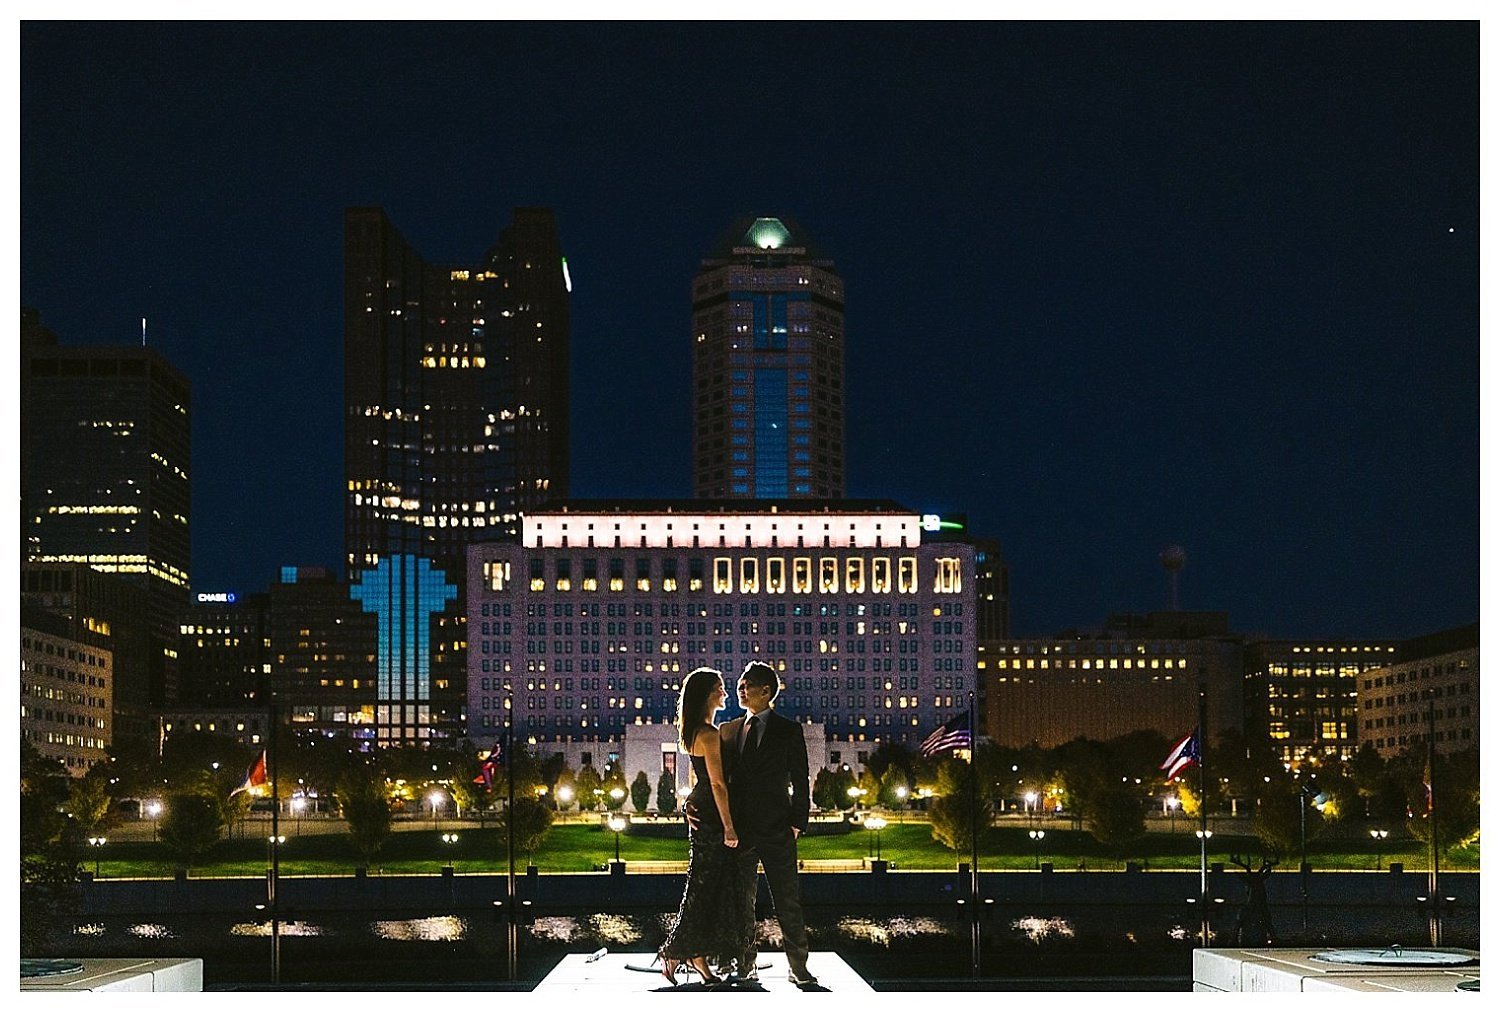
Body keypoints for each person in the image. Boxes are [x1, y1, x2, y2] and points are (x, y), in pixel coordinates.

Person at [691, 660, 816, 987]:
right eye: (739, 685)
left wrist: (797, 823)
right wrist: (694, 805)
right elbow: (712, 778)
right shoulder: (728, 730)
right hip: (741, 833)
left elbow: (801, 780)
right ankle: (747, 965)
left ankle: (799, 968)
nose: (740, 689)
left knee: (788, 902)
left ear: (766, 691)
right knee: (742, 904)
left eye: (747, 685)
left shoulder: (789, 730)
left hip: (778, 829)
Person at [656, 667, 751, 987]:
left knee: (708, 887)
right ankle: (674, 952)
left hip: (704, 810)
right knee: (704, 888)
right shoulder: (708, 735)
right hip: (712, 815)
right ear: (707, 695)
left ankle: (696, 956)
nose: (725, 693)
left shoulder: (698, 731)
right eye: (720, 688)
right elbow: (717, 784)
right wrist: (729, 827)